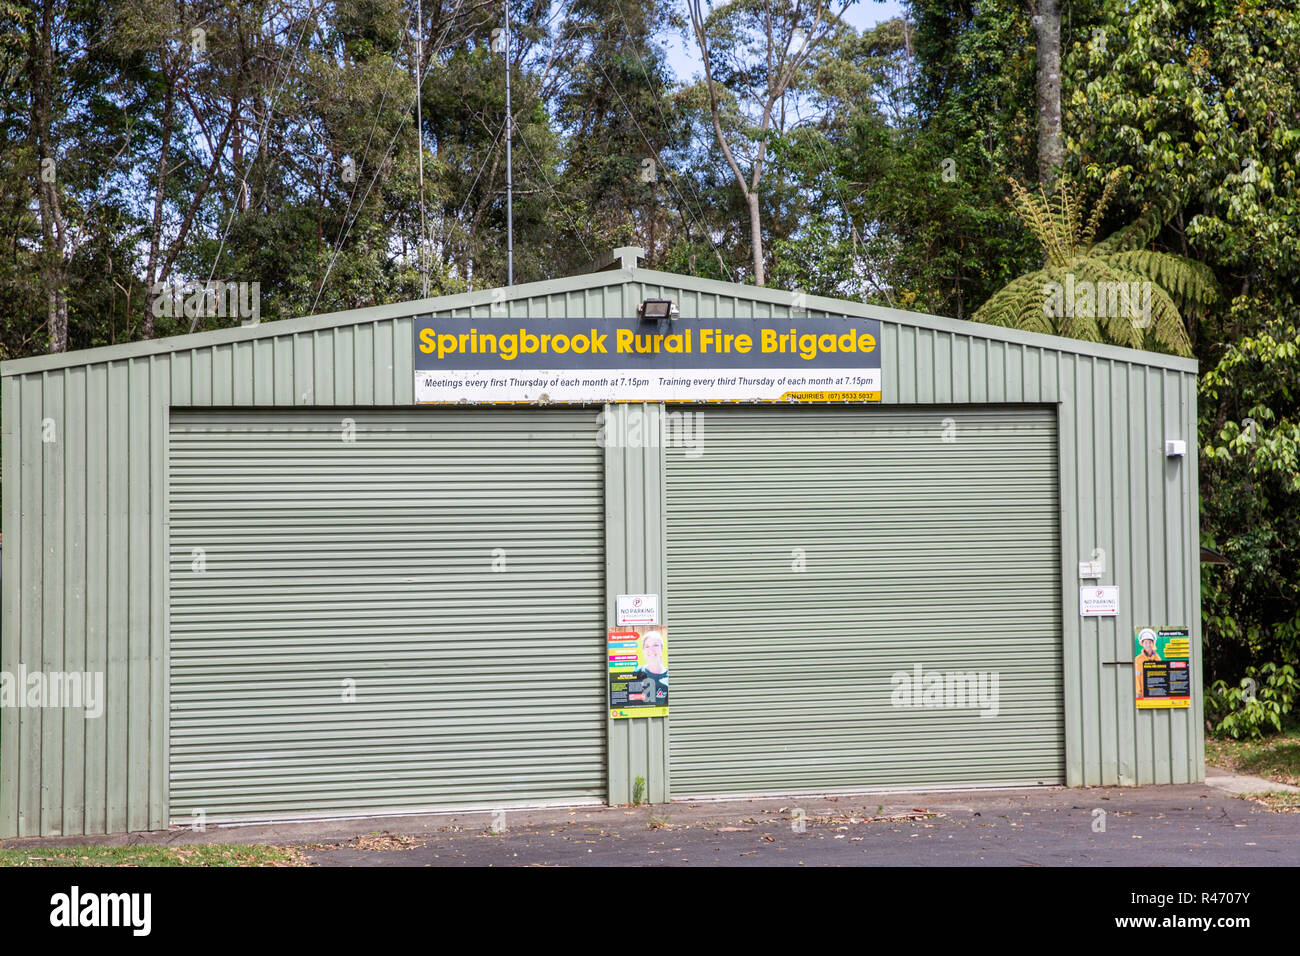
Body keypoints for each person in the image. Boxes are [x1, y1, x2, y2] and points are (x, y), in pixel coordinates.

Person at [632, 630, 669, 707]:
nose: (651, 650)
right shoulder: (637, 672)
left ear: (662, 648)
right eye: (647, 646)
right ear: (643, 651)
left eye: (655, 645)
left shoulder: (668, 677)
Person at [1134, 631, 1161, 699]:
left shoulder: (1158, 658)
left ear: (1153, 643)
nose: (1148, 645)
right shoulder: (1137, 659)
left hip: (1155, 692)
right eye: (1145, 642)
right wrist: (1138, 692)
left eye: (1150, 642)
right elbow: (1137, 677)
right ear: (1142, 644)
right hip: (1141, 694)